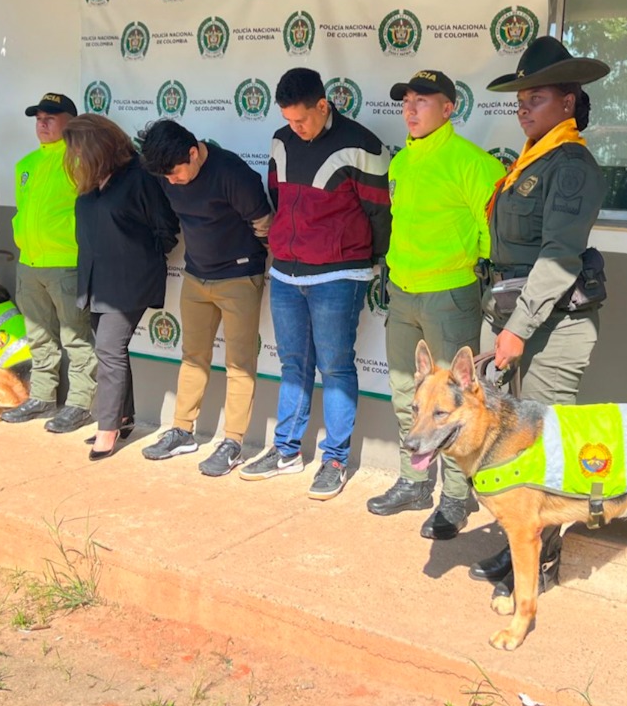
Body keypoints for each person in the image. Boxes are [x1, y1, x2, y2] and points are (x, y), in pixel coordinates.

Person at [466, 36, 611, 601]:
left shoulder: (570, 164)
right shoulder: (532, 159)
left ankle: (544, 562)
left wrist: (517, 330)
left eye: (537, 97)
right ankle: (517, 542)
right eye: (520, 98)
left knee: (545, 443)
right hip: (512, 317)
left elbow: (558, 257)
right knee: (508, 441)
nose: (523, 107)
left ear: (569, 102)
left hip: (548, 326)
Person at [238, 68, 391, 501]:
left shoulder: (363, 145)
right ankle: (286, 450)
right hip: (286, 271)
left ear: (324, 105)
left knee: (336, 368)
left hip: (340, 274)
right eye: (288, 120)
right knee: (293, 365)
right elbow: (277, 197)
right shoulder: (280, 141)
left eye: (301, 119)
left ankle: (335, 459)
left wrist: (365, 260)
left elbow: (381, 214)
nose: (294, 128)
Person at [365, 70, 505, 538]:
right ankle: (414, 482)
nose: (410, 107)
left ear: (449, 108)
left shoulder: (472, 162)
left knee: (453, 403)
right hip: (403, 292)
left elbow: (496, 231)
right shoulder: (402, 162)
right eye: (406, 100)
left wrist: (479, 271)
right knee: (409, 395)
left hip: (449, 293)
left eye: (423, 100)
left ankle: (456, 500)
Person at [136, 120, 273, 477]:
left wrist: (247, 261)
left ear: (193, 152)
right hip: (195, 276)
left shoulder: (233, 173)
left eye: (176, 173)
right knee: (192, 357)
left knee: (240, 363)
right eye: (164, 177)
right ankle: (182, 430)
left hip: (239, 277)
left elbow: (264, 224)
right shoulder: (168, 175)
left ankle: (233, 442)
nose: (172, 181)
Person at [62, 115, 179, 461]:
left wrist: (138, 257)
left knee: (110, 349)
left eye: (81, 147)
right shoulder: (92, 180)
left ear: (100, 144)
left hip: (129, 280)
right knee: (110, 349)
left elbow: (166, 228)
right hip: (96, 280)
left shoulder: (139, 176)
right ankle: (123, 417)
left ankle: (107, 427)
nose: (77, 155)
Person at [0, 93, 98, 434]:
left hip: (66, 263)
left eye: (51, 116)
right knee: (38, 335)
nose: (42, 122)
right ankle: (42, 396)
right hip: (29, 263)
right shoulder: (25, 165)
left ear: (71, 120)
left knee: (76, 337)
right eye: (38, 117)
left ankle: (80, 404)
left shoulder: (81, 160)